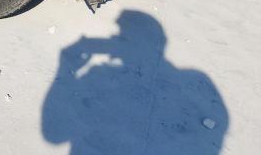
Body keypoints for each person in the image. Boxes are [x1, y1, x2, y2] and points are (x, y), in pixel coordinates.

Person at [42, 10, 228, 155]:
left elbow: (53, 135)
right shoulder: (195, 79)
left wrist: (64, 70)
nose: (114, 38)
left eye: (119, 35)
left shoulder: (98, 75)